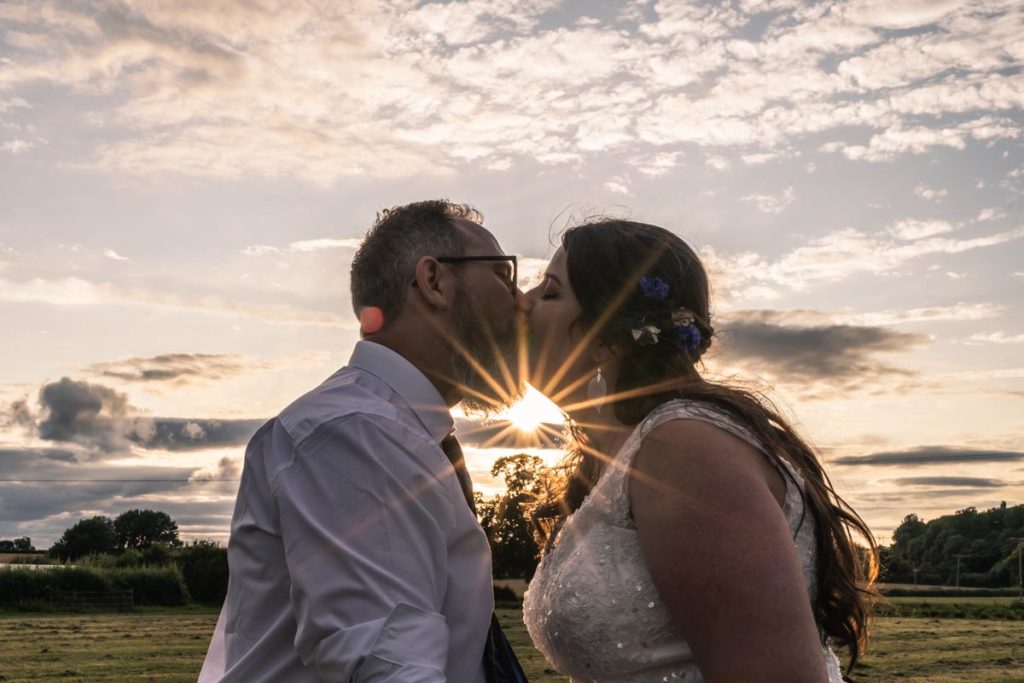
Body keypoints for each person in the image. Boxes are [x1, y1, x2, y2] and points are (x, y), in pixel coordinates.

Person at [520, 219, 877, 682]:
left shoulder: (684, 449)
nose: (521, 302)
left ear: (605, 341)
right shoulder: (622, 455)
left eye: (549, 292)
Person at [199, 200, 527, 682]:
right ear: (434, 281)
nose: (521, 301)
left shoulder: (399, 432)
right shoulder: (354, 433)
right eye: (503, 275)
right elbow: (392, 670)